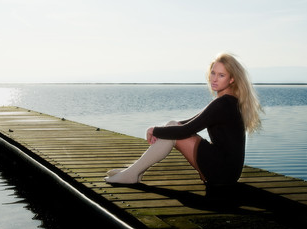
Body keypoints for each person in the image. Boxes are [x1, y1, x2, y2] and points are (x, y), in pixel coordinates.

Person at [105, 53, 263, 185]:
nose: (214, 79)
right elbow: (189, 122)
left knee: (174, 131)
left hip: (222, 172)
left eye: (221, 75)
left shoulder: (224, 103)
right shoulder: (228, 101)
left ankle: (131, 174)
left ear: (231, 80)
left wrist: (154, 130)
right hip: (227, 172)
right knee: (172, 125)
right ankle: (134, 173)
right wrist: (164, 129)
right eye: (213, 73)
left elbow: (186, 130)